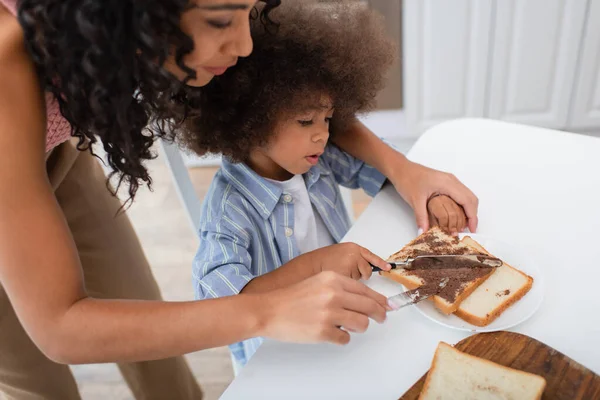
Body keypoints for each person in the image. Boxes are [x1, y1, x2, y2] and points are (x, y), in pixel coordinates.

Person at [0, 0, 478, 398]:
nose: (246, 45)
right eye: (221, 20)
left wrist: (405, 170)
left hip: (44, 150)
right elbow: (61, 327)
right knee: (41, 381)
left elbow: (299, 92)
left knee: (135, 306)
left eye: (248, 12)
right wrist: (269, 308)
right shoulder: (6, 59)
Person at [181, 2, 473, 368]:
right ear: (249, 121)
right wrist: (317, 264)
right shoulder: (230, 209)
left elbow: (378, 174)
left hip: (343, 321)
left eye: (328, 118)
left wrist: (427, 196)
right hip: (280, 355)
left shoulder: (317, 158)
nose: (323, 134)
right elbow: (218, 301)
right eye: (306, 121)